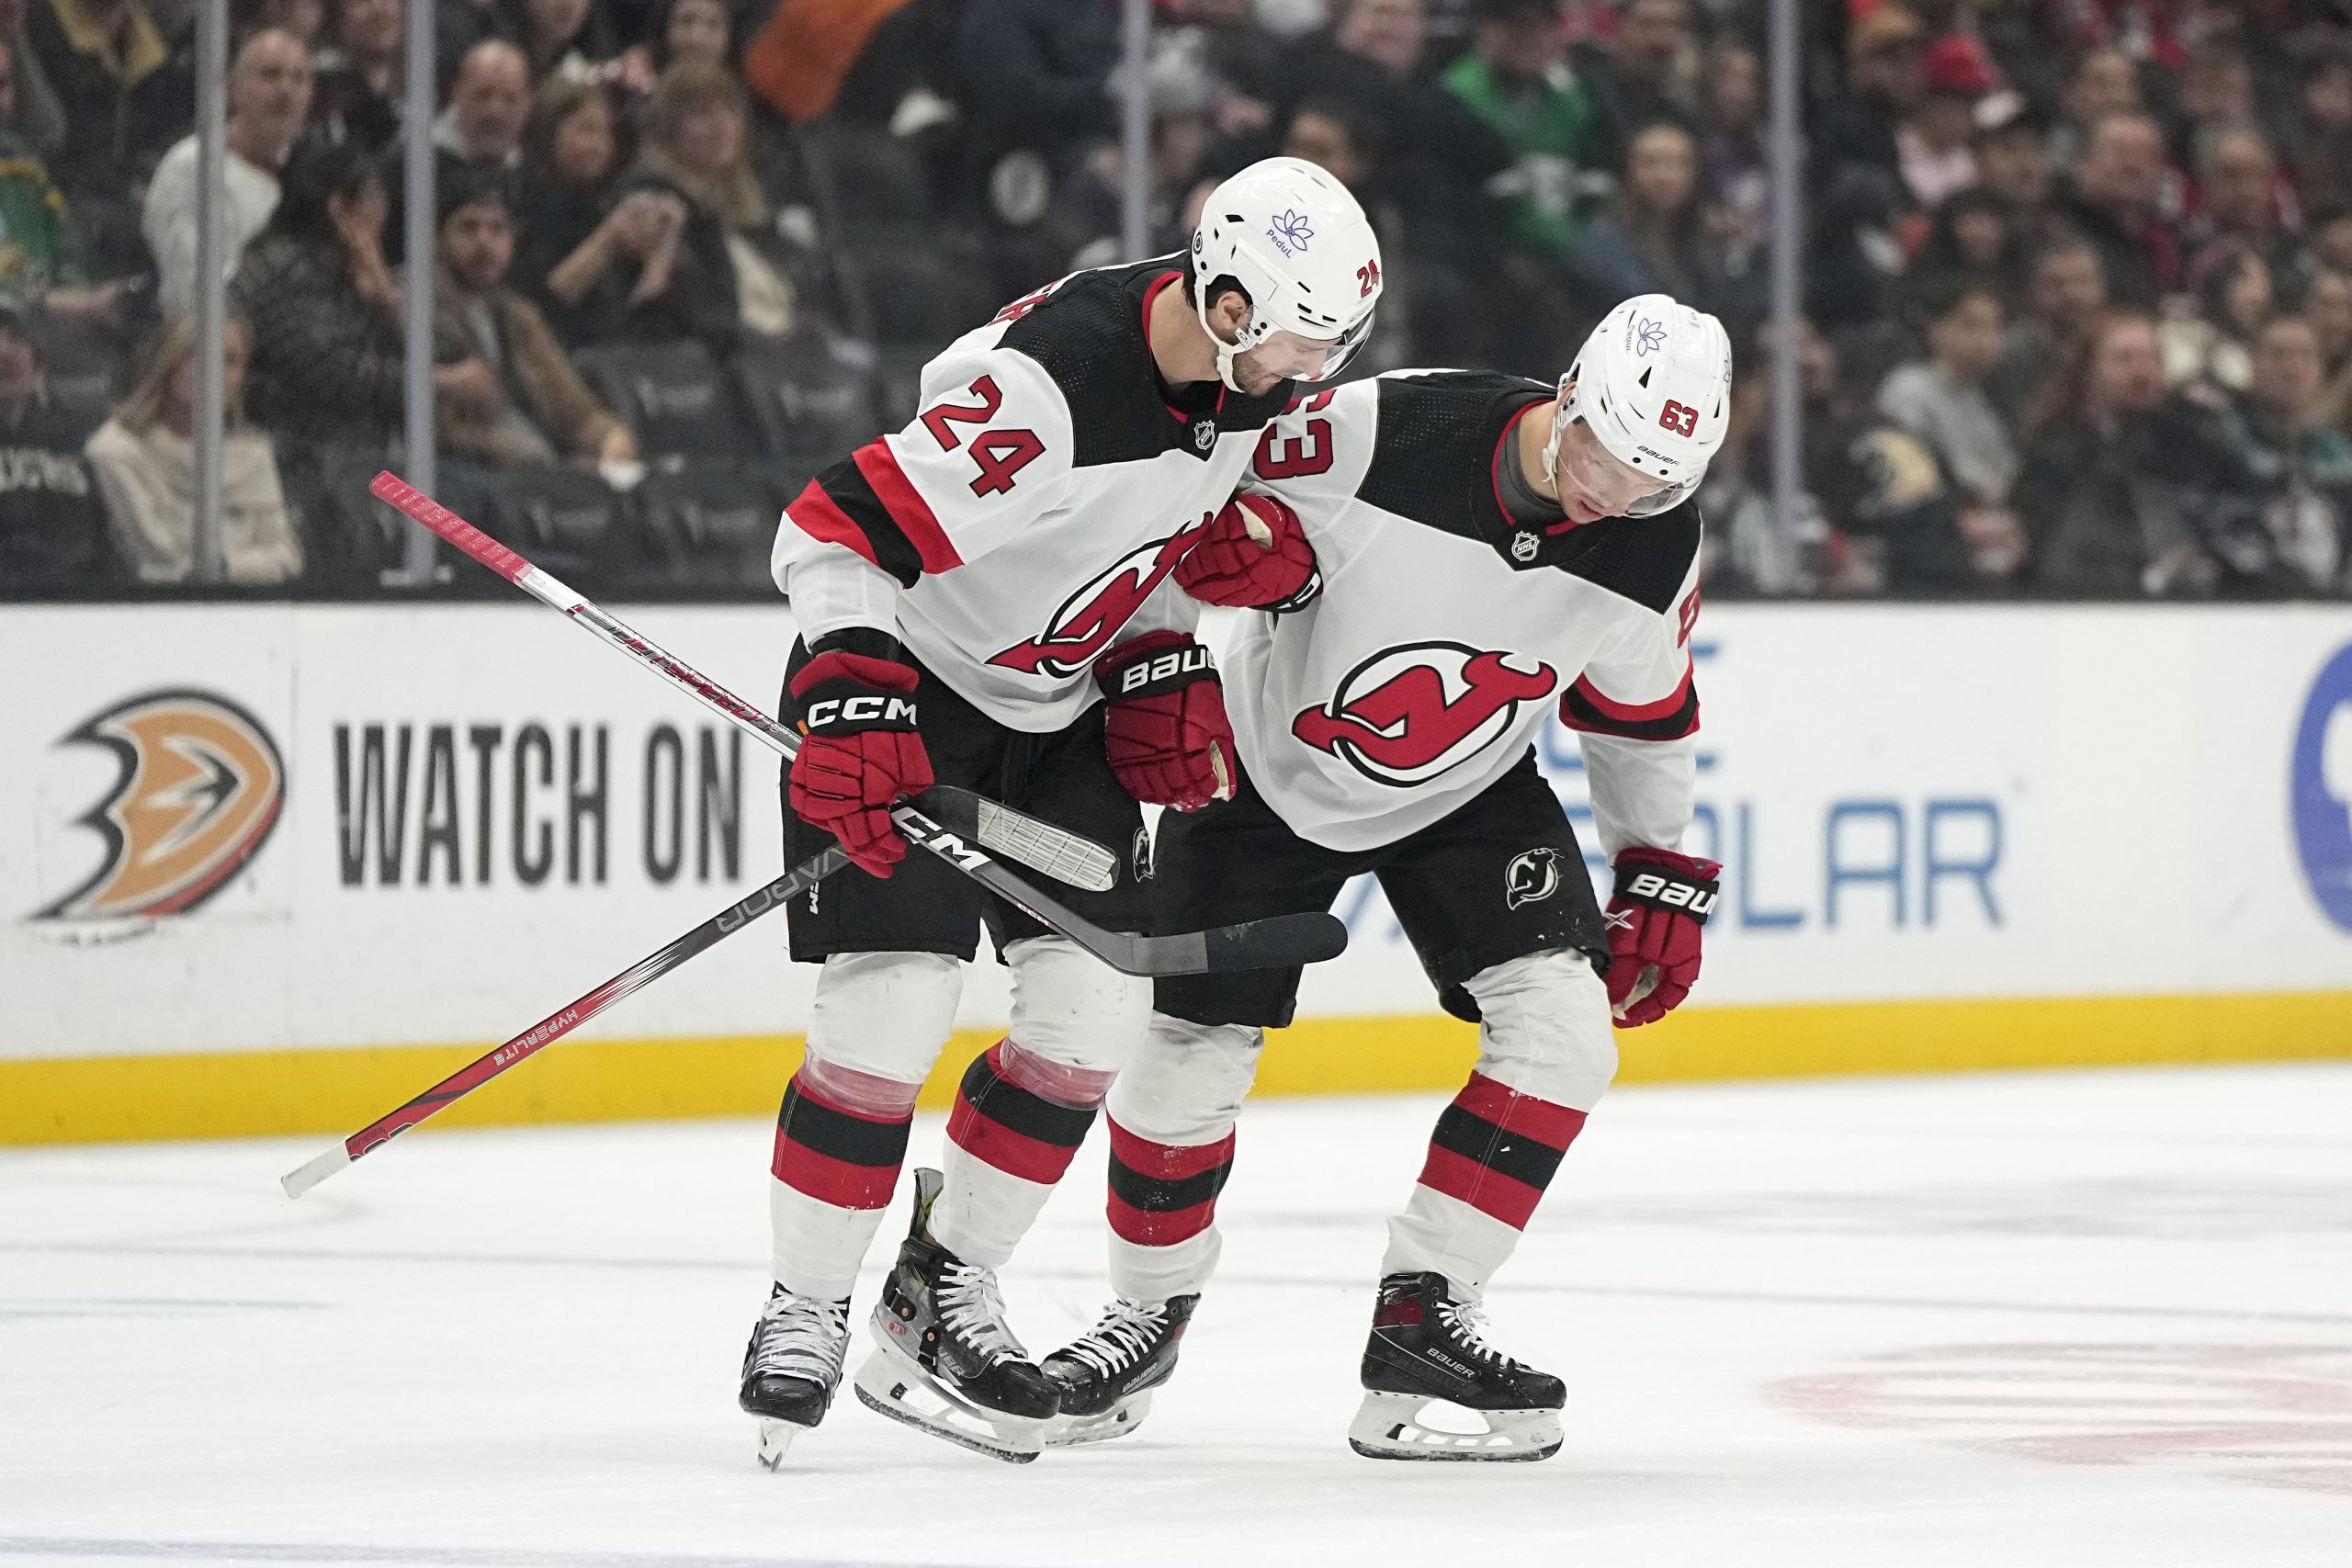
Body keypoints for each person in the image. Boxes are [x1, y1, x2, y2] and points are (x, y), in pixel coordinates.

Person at [741, 157, 1384, 1467]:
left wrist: (1158, 647)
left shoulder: (1246, 368)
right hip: (911, 681)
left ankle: (943, 1284)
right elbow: (827, 530)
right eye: (1288, 351)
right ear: (1218, 297)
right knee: (893, 1002)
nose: (1301, 383)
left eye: (1326, 353)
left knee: (1092, 1017)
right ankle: (804, 1300)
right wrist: (857, 693)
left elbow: (1154, 543)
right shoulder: (1045, 390)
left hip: (1059, 712)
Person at [1038, 295, 1729, 1461]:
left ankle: (1426, 1312)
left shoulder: (1656, 539)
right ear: (1568, 396)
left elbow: (1637, 712)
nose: (1616, 498)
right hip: (1267, 765)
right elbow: (1179, 516)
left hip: (1467, 786)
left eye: (1654, 482)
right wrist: (1164, 655)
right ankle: (1141, 1316)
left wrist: (1659, 863)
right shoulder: (1372, 430)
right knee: (1186, 1055)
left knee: (1565, 1039)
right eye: (1609, 457)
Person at [2013, 310, 2266, 596]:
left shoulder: (2192, 441)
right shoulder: (2054, 453)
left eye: (2151, 359)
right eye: (2124, 359)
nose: (2141, 371)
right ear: (2088, 372)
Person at [429, 175, 633, 468]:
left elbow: (574, 409)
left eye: (497, 230)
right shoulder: (412, 307)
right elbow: (448, 432)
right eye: (468, 228)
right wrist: (551, 467)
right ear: (438, 238)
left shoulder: (515, 315)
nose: (484, 242)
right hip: (469, 473)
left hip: (537, 471)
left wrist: (610, 438)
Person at [84, 311, 300, 583]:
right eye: (203, 355)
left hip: (251, 612)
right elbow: (162, 559)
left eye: (231, 360)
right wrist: (248, 564)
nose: (217, 372)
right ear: (170, 365)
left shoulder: (253, 454)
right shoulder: (117, 451)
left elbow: (285, 555)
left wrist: (225, 568)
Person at [620, 58, 796, 347]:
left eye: (730, 111)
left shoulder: (755, 214)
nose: (721, 125)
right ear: (668, 127)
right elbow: (691, 311)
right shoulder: (652, 202)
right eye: (702, 113)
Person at [143, 27, 313, 315]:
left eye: (299, 79)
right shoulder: (193, 168)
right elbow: (192, 294)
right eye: (270, 75)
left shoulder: (311, 173)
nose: (286, 91)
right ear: (231, 87)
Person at [513, 75, 683, 348]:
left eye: (604, 134)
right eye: (585, 131)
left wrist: (663, 247)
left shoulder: (600, 204)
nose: (599, 146)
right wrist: (610, 235)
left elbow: (639, 311)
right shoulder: (523, 200)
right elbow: (542, 307)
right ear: (548, 131)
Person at [1875, 278, 2026, 581]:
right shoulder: (1908, 390)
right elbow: (1910, 478)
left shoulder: (1985, 400)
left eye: (1993, 327)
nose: (1984, 339)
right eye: (1969, 325)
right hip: (1931, 536)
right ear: (1936, 330)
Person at [2222, 313, 2352, 593]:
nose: (2292, 369)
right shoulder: (2223, 447)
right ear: (2253, 364)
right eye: (2278, 355)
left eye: (2305, 356)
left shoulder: (2337, 454)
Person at [0, 295, 110, 588]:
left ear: (38, 361)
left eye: (17, 338)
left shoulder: (84, 438)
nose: (4, 351)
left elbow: (106, 546)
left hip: (75, 603)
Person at [2061, 111, 2177, 307]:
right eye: (2119, 152)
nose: (2133, 166)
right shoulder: (2060, 235)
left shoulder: (2171, 239)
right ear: (2084, 163)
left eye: (2146, 154)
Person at [308, 0, 403, 154]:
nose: (378, 10)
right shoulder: (318, 87)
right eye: (362, 1)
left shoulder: (425, 84)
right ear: (340, 18)